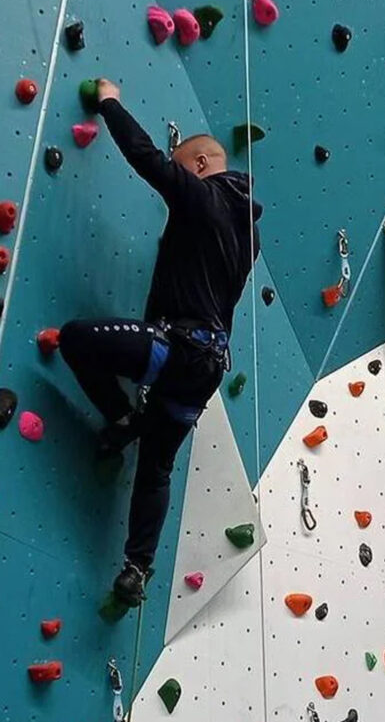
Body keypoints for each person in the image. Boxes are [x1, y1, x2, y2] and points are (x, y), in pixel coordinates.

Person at [58, 79, 262, 606]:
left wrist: (109, 101)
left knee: (77, 339)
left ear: (200, 165)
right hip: (206, 368)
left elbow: (147, 159)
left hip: (178, 347)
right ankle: (137, 569)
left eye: (182, 166)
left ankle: (123, 418)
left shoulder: (206, 198)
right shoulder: (247, 233)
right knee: (156, 467)